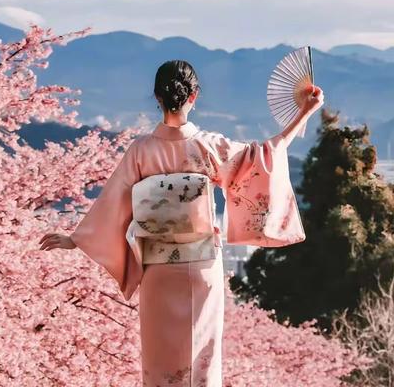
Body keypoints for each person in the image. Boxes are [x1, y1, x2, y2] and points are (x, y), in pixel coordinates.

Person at [39, 59, 324, 386]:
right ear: (194, 96)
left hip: (159, 269)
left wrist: (76, 238)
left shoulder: (141, 151)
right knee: (202, 361)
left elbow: (113, 204)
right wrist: (305, 112)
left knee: (162, 365)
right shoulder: (208, 146)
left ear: (157, 98)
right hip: (202, 265)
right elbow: (265, 156)